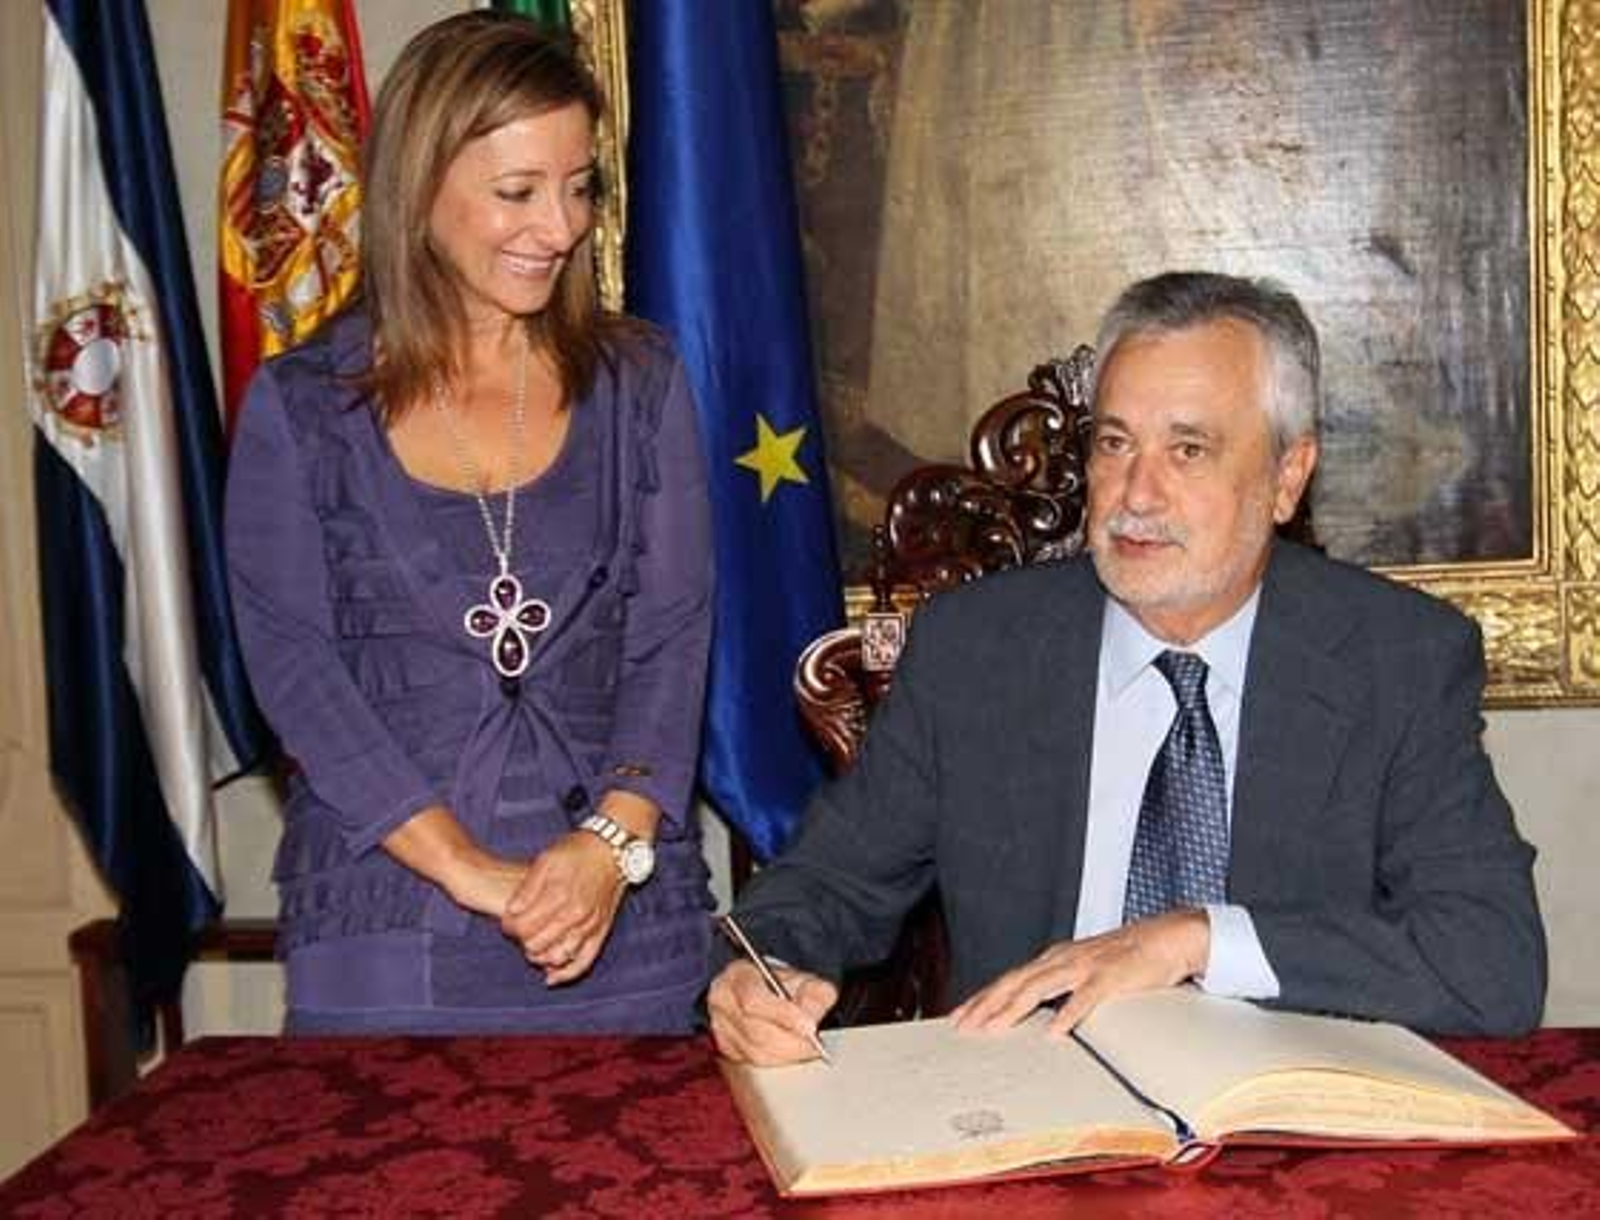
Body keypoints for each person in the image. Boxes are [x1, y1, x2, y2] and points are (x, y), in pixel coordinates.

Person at [709, 271, 1547, 1065]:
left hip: (1284, 1134)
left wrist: (1197, 938)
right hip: (1032, 1112)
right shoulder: (978, 650)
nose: (1135, 495)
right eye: (1115, 444)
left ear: (1288, 477)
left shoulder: (1395, 659)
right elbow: (822, 883)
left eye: (1188, 451)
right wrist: (762, 966)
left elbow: (1493, 964)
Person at [225, 11, 714, 1034]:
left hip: (623, 929)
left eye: (580, 187)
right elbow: (298, 672)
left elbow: (671, 643)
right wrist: (475, 873)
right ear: (419, 188)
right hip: (383, 932)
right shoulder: (302, 404)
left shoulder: (641, 381)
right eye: (517, 192)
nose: (561, 226)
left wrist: (605, 849)